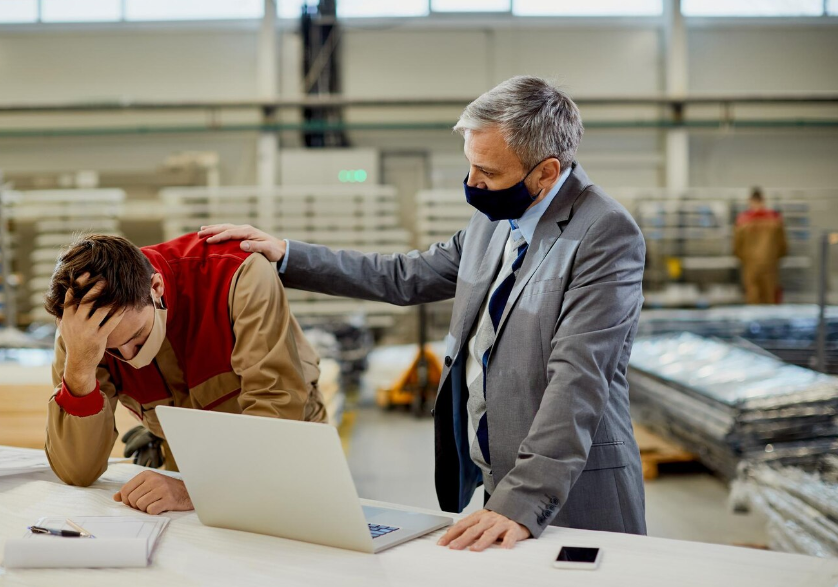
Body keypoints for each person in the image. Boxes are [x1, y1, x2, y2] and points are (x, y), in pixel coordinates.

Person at [200, 75, 647, 552]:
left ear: (546, 172)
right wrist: (287, 254)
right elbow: (403, 275)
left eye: (489, 174)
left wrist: (523, 499)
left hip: (570, 492)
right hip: (502, 483)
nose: (473, 185)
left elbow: (577, 379)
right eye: (470, 167)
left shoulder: (605, 233)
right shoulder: (494, 223)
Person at [44, 232, 326, 515]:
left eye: (138, 337)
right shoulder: (82, 332)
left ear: (155, 288)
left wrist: (198, 490)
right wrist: (80, 369)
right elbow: (77, 472)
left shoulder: (238, 275)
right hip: (192, 466)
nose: (130, 356)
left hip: (283, 458)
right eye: (112, 350)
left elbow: (276, 411)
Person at [733, 188, 788, 304]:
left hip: (750, 265)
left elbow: (737, 246)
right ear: (763, 200)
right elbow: (783, 245)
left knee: (753, 297)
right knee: (770, 297)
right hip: (770, 264)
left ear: (750, 201)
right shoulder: (775, 220)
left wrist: (744, 259)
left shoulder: (743, 221)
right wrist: (775, 258)